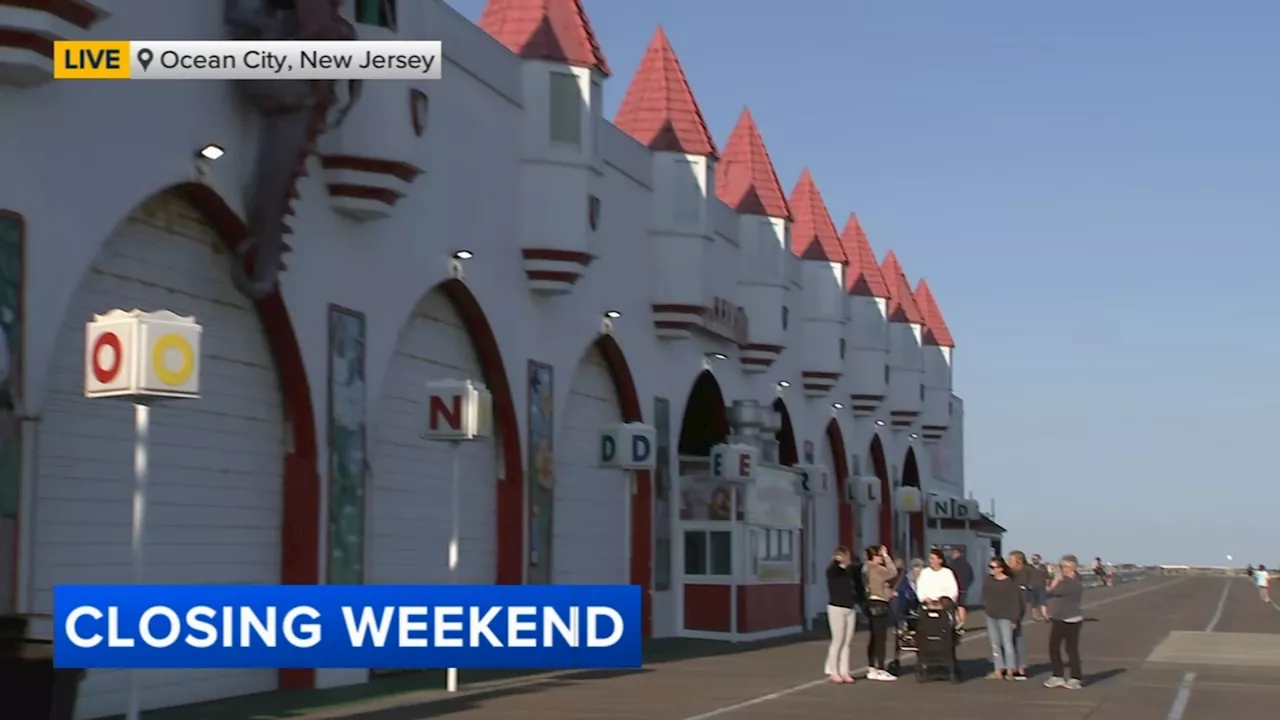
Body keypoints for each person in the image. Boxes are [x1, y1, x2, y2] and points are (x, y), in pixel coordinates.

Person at [1042, 554, 1086, 689]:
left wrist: (1055, 582)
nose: (1061, 569)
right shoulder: (1068, 582)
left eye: (1063, 567)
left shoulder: (1072, 583)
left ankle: (1075, 677)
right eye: (1060, 567)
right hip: (1059, 618)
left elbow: (1048, 594)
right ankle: (1058, 675)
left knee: (1071, 649)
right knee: (1054, 647)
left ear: (1072, 567)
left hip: (1071, 619)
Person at [824, 546, 864, 683]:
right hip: (836, 608)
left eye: (846, 556)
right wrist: (837, 560)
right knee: (838, 640)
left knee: (847, 642)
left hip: (849, 608)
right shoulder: (832, 571)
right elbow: (834, 568)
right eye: (842, 556)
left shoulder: (850, 572)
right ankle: (833, 670)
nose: (846, 559)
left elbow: (858, 573)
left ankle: (844, 671)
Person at [862, 545, 899, 681]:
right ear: (874, 556)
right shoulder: (876, 568)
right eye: (879, 555)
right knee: (881, 638)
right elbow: (893, 572)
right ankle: (881, 669)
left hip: (869, 603)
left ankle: (872, 667)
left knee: (873, 636)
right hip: (879, 603)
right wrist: (887, 556)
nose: (881, 558)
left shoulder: (865, 568)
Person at [983, 556, 1024, 680]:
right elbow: (984, 594)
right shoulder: (989, 580)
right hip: (991, 615)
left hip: (1006, 616)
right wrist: (986, 605)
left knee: (1007, 643)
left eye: (993, 567)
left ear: (1001, 569)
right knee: (995, 644)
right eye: (990, 567)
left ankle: (1010, 669)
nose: (991, 569)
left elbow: (1015, 601)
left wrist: (1014, 618)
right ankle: (998, 670)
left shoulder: (1010, 583)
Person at [1007, 550, 1040, 677]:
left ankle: (1020, 666)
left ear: (1018, 561)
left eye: (1011, 560)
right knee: (1013, 636)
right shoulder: (1011, 573)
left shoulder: (1024, 573)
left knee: (1015, 636)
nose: (1009, 563)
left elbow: (1033, 588)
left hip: (1017, 606)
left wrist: (1035, 605)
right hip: (1011, 604)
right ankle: (1016, 665)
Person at [949, 546, 975, 627]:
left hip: (954, 588)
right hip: (964, 588)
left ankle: (956, 622)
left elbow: (949, 575)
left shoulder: (952, 564)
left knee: (954, 606)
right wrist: (966, 585)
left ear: (957, 553)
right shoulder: (967, 564)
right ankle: (962, 623)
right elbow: (971, 577)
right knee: (961, 606)